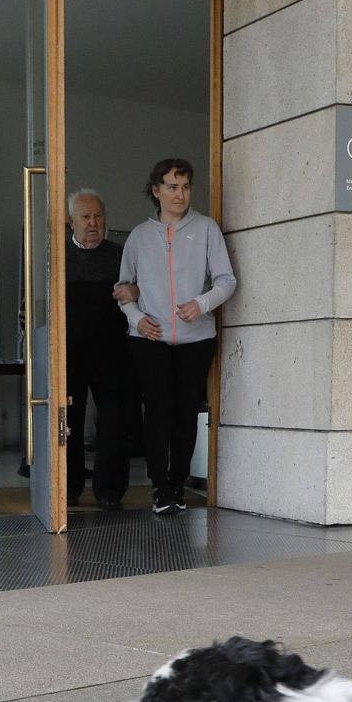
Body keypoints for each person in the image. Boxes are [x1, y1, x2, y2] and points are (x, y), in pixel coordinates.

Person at [113, 158, 236, 516]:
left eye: (184, 187)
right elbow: (123, 289)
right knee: (157, 412)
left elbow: (227, 281)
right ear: (156, 191)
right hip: (149, 339)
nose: (179, 194)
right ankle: (160, 487)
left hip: (196, 339)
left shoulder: (207, 229)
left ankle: (178, 484)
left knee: (185, 413)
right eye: (171, 187)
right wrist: (137, 321)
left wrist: (201, 303)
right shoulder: (138, 236)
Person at [64, 189, 136, 510]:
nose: (93, 223)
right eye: (86, 217)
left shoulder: (121, 257)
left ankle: (109, 490)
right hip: (69, 352)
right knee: (70, 420)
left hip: (112, 352)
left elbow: (137, 301)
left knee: (113, 421)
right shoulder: (58, 257)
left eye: (98, 216)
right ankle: (68, 486)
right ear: (71, 221)